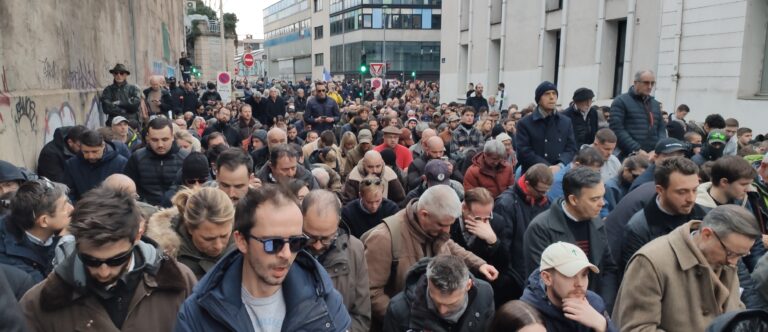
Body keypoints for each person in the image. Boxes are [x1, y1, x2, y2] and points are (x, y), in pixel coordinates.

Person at [174, 185, 351, 331]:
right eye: (273, 243)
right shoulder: (198, 312)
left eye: (296, 242)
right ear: (241, 241)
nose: (286, 254)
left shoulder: (325, 299)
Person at [20, 187, 197, 331]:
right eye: (91, 260)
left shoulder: (180, 283)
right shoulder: (39, 302)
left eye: (116, 260)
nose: (103, 271)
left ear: (137, 236)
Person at [362, 185, 499, 326]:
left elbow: (449, 244)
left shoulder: (434, 228)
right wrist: (406, 320)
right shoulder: (384, 239)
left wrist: (479, 264)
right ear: (424, 214)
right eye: (441, 224)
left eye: (450, 224)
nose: (447, 230)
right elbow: (371, 292)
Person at [613, 205, 761, 331]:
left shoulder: (726, 256)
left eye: (742, 255)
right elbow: (637, 328)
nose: (733, 263)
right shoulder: (651, 261)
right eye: (731, 253)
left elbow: (735, 308)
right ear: (707, 235)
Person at [524, 167, 618, 310]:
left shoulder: (596, 222)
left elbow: (608, 268)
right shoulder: (541, 228)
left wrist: (602, 305)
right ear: (574, 200)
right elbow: (540, 280)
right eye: (595, 199)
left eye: (602, 196)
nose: (603, 203)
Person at [302, 190, 371, 332]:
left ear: (338, 222)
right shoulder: (287, 250)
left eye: (326, 238)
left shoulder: (355, 249)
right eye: (310, 237)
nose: (317, 245)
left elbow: (362, 317)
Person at [621, 157, 706, 270]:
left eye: (695, 190)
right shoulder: (639, 228)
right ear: (660, 190)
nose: (691, 199)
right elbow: (636, 277)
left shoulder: (705, 217)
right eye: (682, 192)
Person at [521, 242, 617, 332]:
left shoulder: (594, 303)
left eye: (584, 275)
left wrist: (603, 325)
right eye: (570, 275)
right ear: (547, 278)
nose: (580, 283)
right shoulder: (527, 314)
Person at [383, 255, 495, 332]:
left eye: (451, 304)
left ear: (468, 286)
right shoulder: (399, 310)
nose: (442, 311)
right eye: (435, 301)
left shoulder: (484, 294)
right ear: (428, 282)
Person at [493, 164, 553, 302]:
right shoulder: (505, 204)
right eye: (540, 191)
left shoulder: (545, 202)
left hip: (537, 272)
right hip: (514, 279)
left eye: (546, 191)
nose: (544, 195)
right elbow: (503, 248)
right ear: (527, 184)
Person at [148, 187, 234, 280]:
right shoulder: (165, 257)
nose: (218, 245)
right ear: (189, 228)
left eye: (224, 236)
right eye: (208, 239)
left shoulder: (246, 246)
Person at [0, 179, 72, 283]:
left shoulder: (29, 221)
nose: (72, 208)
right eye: (64, 206)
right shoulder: (14, 262)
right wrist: (63, 241)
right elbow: (45, 290)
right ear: (44, 221)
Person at [123, 117, 190, 206]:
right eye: (155, 140)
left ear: (172, 137)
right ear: (148, 138)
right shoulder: (137, 157)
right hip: (146, 211)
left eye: (165, 139)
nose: (160, 145)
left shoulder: (186, 158)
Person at [515, 81, 578, 174]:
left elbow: (571, 148)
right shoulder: (524, 123)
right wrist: (547, 167)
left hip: (560, 174)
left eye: (554, 94)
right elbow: (524, 152)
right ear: (539, 99)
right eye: (547, 94)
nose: (552, 97)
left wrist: (559, 165)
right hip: (534, 175)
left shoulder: (566, 121)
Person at [609, 69, 666, 158]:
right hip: (628, 156)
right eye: (646, 83)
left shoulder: (655, 103)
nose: (650, 86)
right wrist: (636, 150)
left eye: (652, 83)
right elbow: (617, 129)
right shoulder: (620, 101)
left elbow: (661, 129)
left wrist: (657, 150)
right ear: (636, 83)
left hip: (653, 156)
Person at [63, 130, 128, 201]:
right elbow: (69, 192)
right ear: (81, 148)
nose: (90, 156)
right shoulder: (72, 164)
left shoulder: (121, 163)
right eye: (86, 152)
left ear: (103, 146)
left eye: (95, 151)